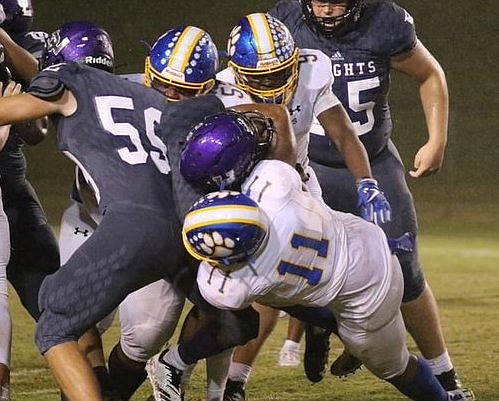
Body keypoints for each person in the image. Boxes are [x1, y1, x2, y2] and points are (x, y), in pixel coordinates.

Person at [180, 109, 473, 401]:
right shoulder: (275, 183)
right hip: (369, 243)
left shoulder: (237, 284)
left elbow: (209, 272)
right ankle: (346, 336)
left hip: (367, 297)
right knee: (291, 296)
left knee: (394, 367)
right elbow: (278, 128)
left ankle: (444, 398)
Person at [268, 0, 471, 395]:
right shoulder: (286, 18)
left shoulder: (386, 21)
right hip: (312, 166)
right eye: (319, 1)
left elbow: (430, 73)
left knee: (407, 269)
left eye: (336, 2)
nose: (326, 11)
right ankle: (252, 369)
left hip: (374, 162)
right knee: (285, 262)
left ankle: (444, 373)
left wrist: (437, 140)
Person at [215, 12, 391, 399]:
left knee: (324, 274)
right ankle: (236, 379)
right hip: (244, 188)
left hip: (300, 182)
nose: (274, 83)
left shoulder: (312, 72)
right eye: (260, 78)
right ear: (237, 72)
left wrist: (367, 183)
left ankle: (322, 327)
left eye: (281, 72)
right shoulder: (220, 89)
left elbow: (343, 132)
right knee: (254, 283)